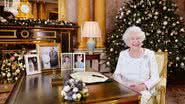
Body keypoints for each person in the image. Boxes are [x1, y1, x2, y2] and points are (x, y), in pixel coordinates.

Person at [113, 26, 159, 104]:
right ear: (127, 41)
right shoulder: (123, 54)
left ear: (142, 40)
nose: (136, 41)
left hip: (143, 89)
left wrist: (143, 86)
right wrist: (124, 86)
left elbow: (155, 77)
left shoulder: (149, 54)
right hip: (125, 88)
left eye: (138, 38)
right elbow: (117, 74)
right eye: (132, 39)